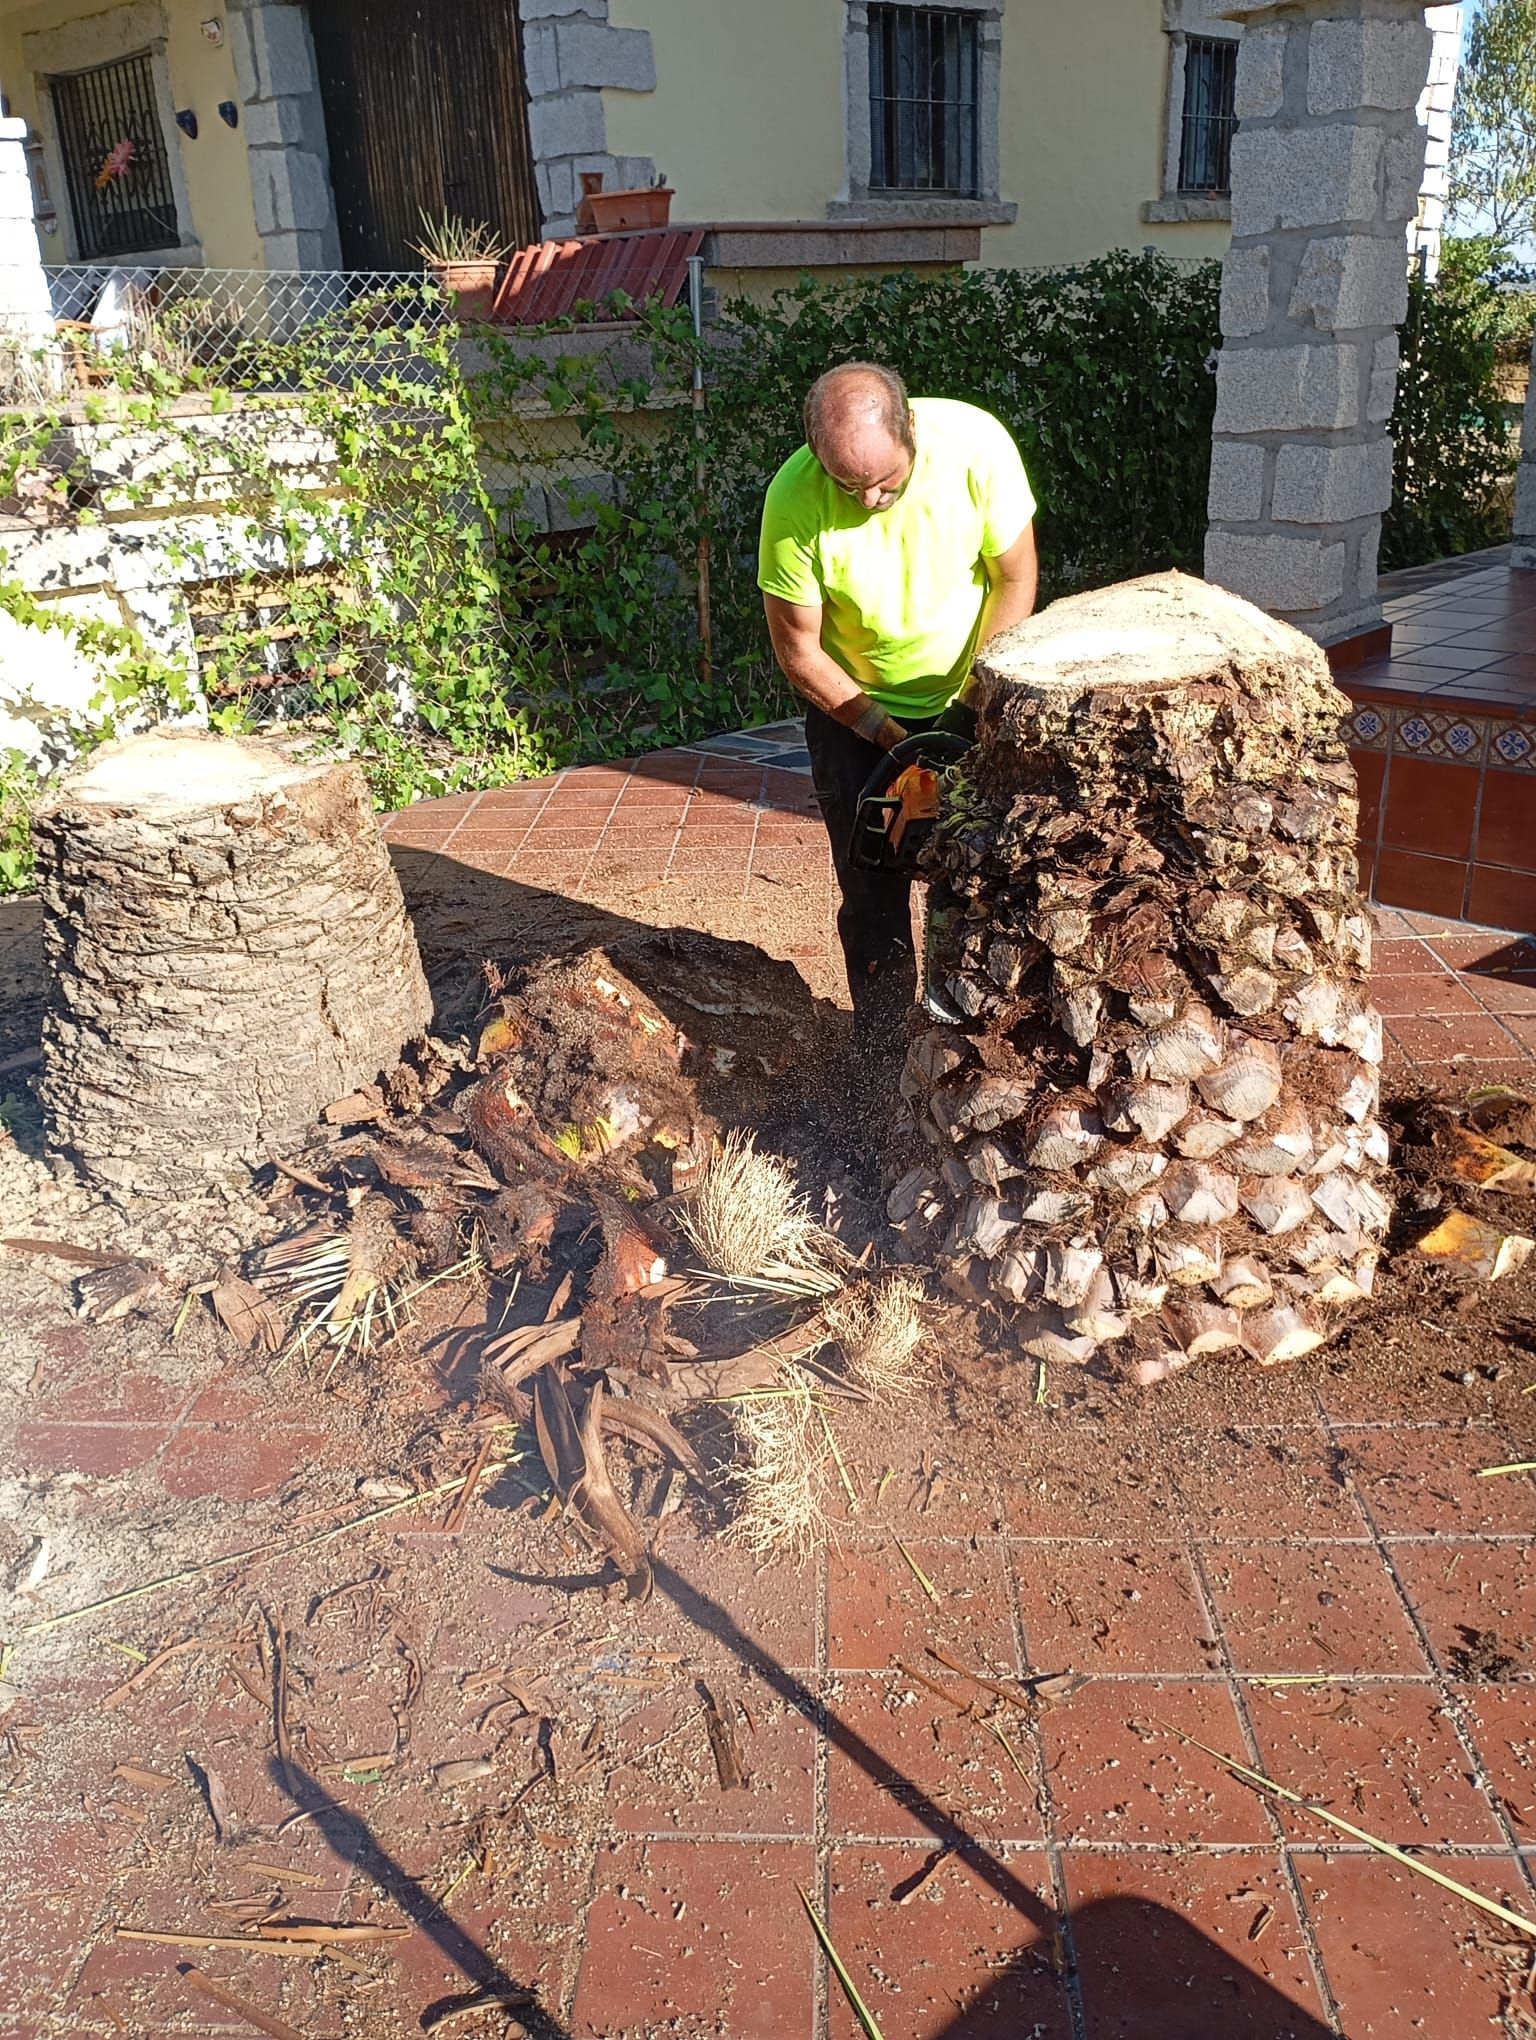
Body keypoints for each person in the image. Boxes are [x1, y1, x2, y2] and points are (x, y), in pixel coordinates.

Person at [757, 362, 1038, 1022]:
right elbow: (800, 653)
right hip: (853, 712)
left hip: (971, 694)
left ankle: (958, 1036)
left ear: (909, 428)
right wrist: (893, 739)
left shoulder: (976, 447)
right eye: (848, 486)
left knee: (966, 875)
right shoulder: (794, 500)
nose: (870, 501)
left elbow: (1015, 581)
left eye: (886, 482)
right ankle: (880, 1049)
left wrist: (971, 707)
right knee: (871, 888)